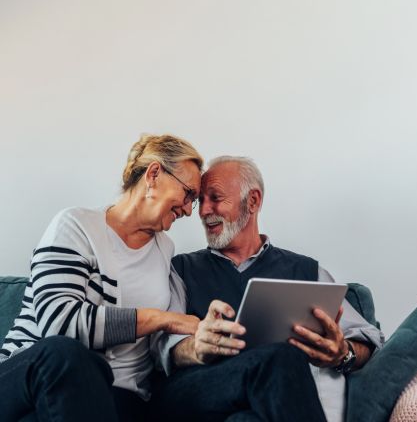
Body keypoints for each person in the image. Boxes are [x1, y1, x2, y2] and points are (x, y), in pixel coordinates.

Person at [150, 156, 384, 422]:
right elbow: (161, 346)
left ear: (253, 201)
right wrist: (195, 347)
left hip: (268, 401)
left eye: (215, 198)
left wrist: (344, 353)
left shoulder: (308, 272)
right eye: (200, 200)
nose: (203, 211)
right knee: (280, 358)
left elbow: (368, 339)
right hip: (196, 392)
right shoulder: (180, 269)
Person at [0, 134, 204, 422]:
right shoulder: (75, 226)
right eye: (188, 194)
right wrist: (161, 318)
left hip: (116, 399)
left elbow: (169, 340)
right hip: (30, 378)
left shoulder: (165, 252)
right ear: (154, 174)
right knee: (65, 354)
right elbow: (59, 323)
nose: (187, 209)